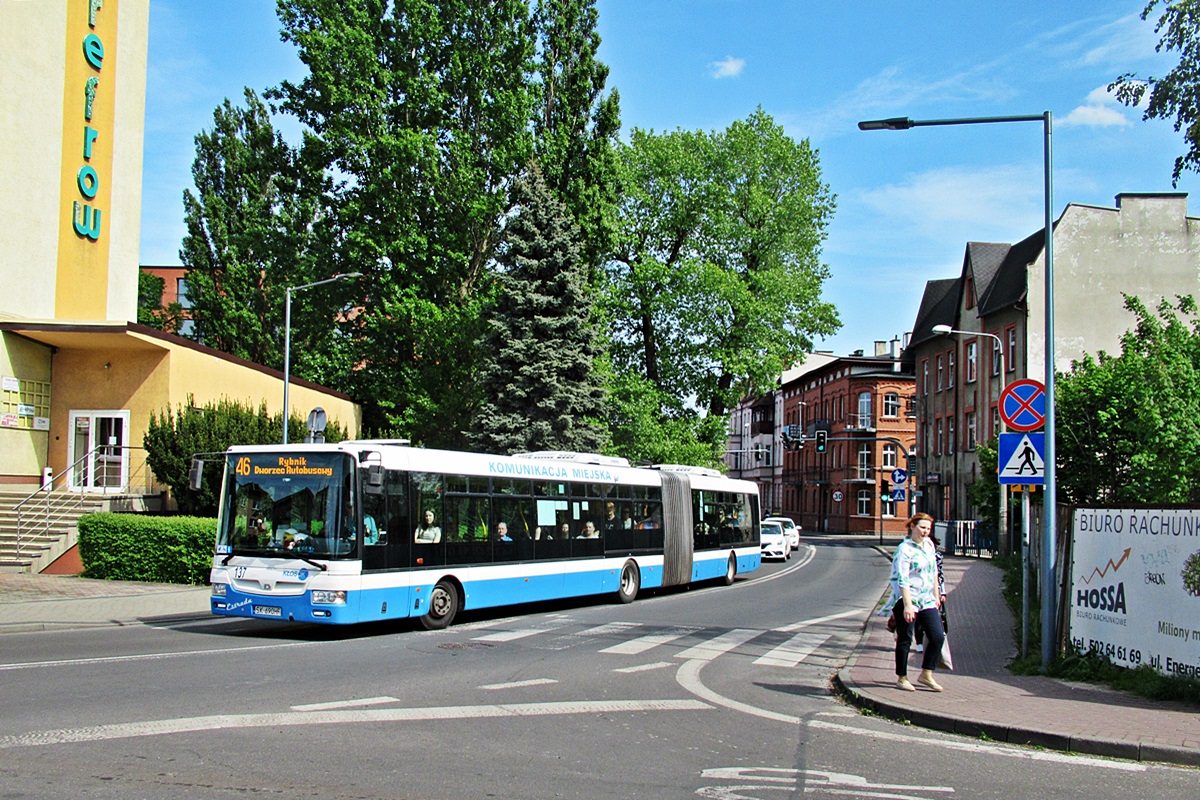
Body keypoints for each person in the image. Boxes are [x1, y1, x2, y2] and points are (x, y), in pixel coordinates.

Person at [885, 512, 946, 692]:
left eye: (928, 528)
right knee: (905, 638)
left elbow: (934, 572)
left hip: (927, 598)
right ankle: (902, 677)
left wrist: (936, 596)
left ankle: (926, 674)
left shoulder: (929, 545)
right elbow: (902, 578)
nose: (925, 532)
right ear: (912, 526)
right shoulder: (905, 549)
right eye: (922, 528)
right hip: (907, 598)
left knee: (937, 636)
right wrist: (907, 604)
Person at [914, 533, 946, 652]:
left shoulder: (937, 556)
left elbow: (939, 575)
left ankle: (933, 641)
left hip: (933, 591)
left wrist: (942, 593)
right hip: (917, 591)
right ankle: (919, 642)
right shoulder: (913, 555)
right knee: (918, 618)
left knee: (935, 618)